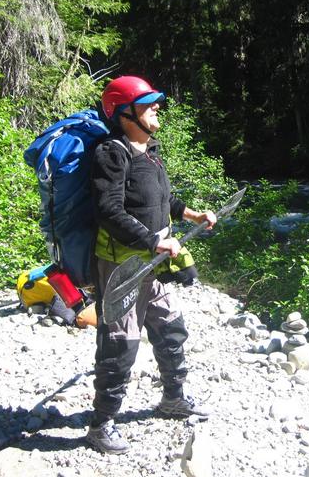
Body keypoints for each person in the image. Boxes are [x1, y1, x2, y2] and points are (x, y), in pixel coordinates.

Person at [86, 75, 217, 455]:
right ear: (124, 113)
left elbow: (162, 201)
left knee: (171, 327)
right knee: (120, 343)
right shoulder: (111, 153)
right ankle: (100, 424)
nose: (156, 106)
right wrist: (152, 240)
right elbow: (108, 210)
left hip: (153, 264)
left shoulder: (150, 151)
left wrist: (192, 215)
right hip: (122, 267)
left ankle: (173, 399)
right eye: (147, 103)